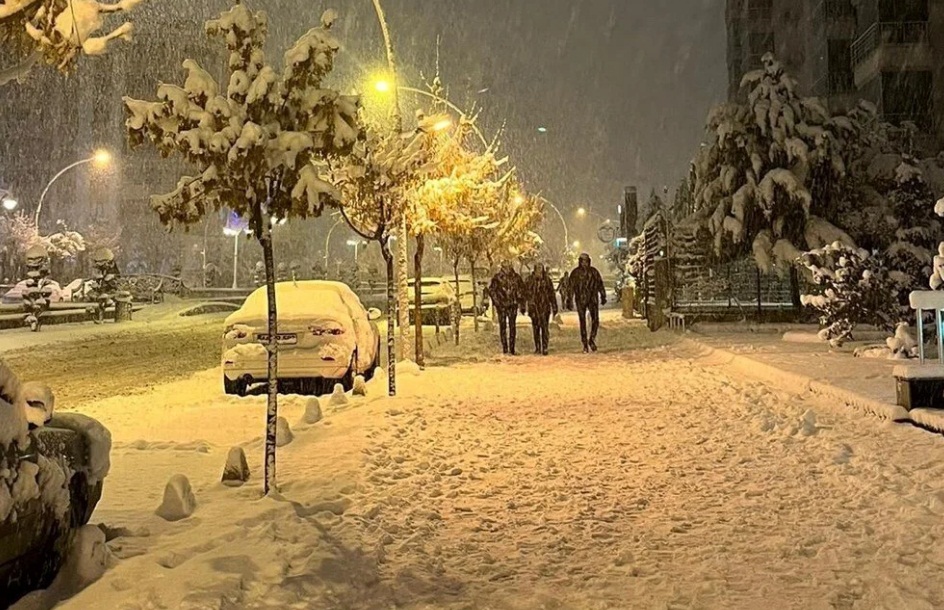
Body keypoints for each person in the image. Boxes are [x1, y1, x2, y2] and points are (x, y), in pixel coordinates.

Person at [570, 253, 607, 353]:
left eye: (586, 261)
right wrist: (569, 299)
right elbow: (571, 288)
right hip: (581, 299)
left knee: (595, 320)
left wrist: (603, 296)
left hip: (592, 299)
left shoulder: (594, 272)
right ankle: (585, 343)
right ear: (580, 262)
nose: (585, 263)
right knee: (582, 321)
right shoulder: (575, 273)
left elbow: (600, 284)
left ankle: (592, 339)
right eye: (583, 261)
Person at [488, 261, 526, 355]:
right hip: (502, 306)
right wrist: (497, 302)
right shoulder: (497, 278)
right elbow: (492, 291)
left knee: (512, 327)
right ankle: (505, 348)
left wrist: (520, 299)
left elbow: (522, 289)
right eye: (505, 266)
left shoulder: (516, 277)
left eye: (508, 265)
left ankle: (512, 349)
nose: (507, 268)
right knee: (503, 327)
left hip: (512, 305)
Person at [525, 263, 559, 355]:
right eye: (537, 269)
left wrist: (554, 306)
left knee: (544, 328)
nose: (539, 271)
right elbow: (525, 293)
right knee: (536, 328)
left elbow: (552, 294)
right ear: (535, 270)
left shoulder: (547, 280)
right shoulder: (529, 280)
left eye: (541, 269)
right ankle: (537, 347)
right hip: (534, 308)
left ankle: (545, 347)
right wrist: (525, 305)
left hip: (545, 307)